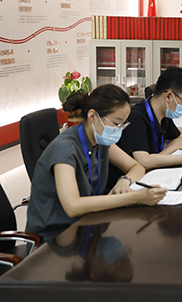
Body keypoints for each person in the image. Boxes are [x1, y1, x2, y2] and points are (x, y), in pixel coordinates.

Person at [25, 85, 166, 238]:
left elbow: (136, 167)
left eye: (123, 124)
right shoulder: (65, 149)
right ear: (92, 116)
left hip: (89, 222)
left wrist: (124, 181)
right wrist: (136, 197)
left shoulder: (100, 140)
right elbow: (72, 206)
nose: (118, 130)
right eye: (116, 123)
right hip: (56, 236)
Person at [110, 67, 182, 186]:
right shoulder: (136, 117)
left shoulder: (164, 114)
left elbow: (180, 139)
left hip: (151, 174)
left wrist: (160, 157)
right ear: (169, 96)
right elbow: (144, 161)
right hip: (126, 184)